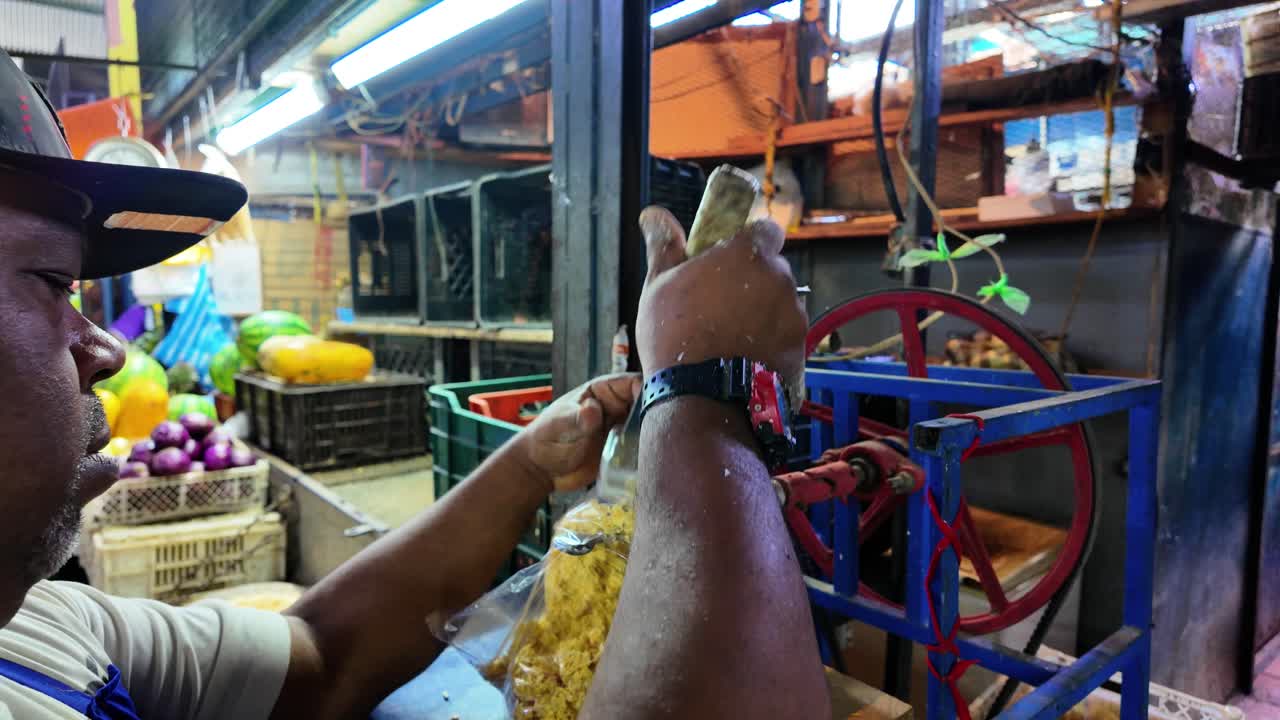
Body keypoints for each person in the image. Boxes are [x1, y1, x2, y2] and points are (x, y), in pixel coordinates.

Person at [0, 47, 826, 719]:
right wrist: (709, 393)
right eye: (50, 282)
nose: (102, 346)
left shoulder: (42, 629)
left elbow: (323, 657)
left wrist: (531, 465)